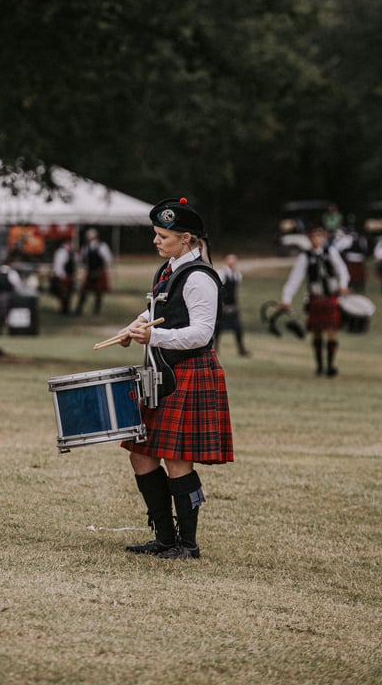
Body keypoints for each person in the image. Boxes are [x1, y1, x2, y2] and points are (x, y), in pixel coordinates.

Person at [116, 197, 234, 561]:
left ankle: (188, 543)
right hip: (162, 374)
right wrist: (135, 325)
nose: (156, 241)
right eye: (156, 234)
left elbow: (201, 332)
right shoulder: (168, 270)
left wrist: (156, 337)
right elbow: (160, 309)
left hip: (189, 372)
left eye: (163, 236)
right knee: (141, 455)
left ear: (186, 239)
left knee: (177, 460)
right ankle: (165, 538)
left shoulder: (200, 277)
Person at [280, 225, 350, 376]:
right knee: (317, 333)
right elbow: (295, 278)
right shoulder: (305, 256)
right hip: (316, 298)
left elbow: (342, 270)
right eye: (314, 237)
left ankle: (331, 366)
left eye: (319, 236)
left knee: (331, 332)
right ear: (309, 239)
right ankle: (319, 366)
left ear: (323, 238)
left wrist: (343, 285)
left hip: (330, 296)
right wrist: (287, 297)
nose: (317, 239)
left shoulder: (331, 252)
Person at [214, 253, 250, 357]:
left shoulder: (236, 274)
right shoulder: (222, 273)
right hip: (223, 304)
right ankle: (215, 349)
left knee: (238, 328)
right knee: (218, 328)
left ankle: (241, 350)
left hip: (233, 304)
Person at [75, 228, 113, 315]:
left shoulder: (102, 246)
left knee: (99, 293)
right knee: (84, 291)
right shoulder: (86, 247)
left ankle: (96, 310)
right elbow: (83, 259)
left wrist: (101, 270)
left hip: (99, 271)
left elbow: (107, 259)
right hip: (90, 271)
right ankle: (79, 309)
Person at [337, 216, 369, 293]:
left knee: (353, 277)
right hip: (357, 259)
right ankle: (358, 289)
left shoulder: (347, 238)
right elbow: (365, 249)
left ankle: (354, 288)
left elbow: (338, 248)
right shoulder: (361, 238)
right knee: (357, 277)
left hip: (352, 260)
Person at [0, 256, 25, 334]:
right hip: (9, 295)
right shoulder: (11, 273)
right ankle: (11, 330)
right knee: (10, 314)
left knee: (0, 314)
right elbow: (17, 284)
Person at [51, 238, 77, 315]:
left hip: (69, 275)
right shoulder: (61, 252)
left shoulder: (71, 252)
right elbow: (58, 265)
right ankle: (63, 310)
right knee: (63, 294)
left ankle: (67, 309)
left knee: (68, 294)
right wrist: (62, 276)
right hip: (64, 276)